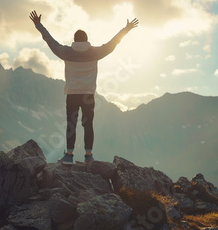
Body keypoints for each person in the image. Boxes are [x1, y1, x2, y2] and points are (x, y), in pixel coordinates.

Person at [29, 10, 138, 164]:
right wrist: (126, 29)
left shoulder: (66, 52)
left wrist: (38, 25)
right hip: (88, 94)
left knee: (70, 124)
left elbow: (50, 40)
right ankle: (88, 155)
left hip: (72, 94)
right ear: (87, 40)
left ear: (74, 40)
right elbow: (113, 43)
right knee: (88, 124)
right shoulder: (95, 52)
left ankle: (69, 155)